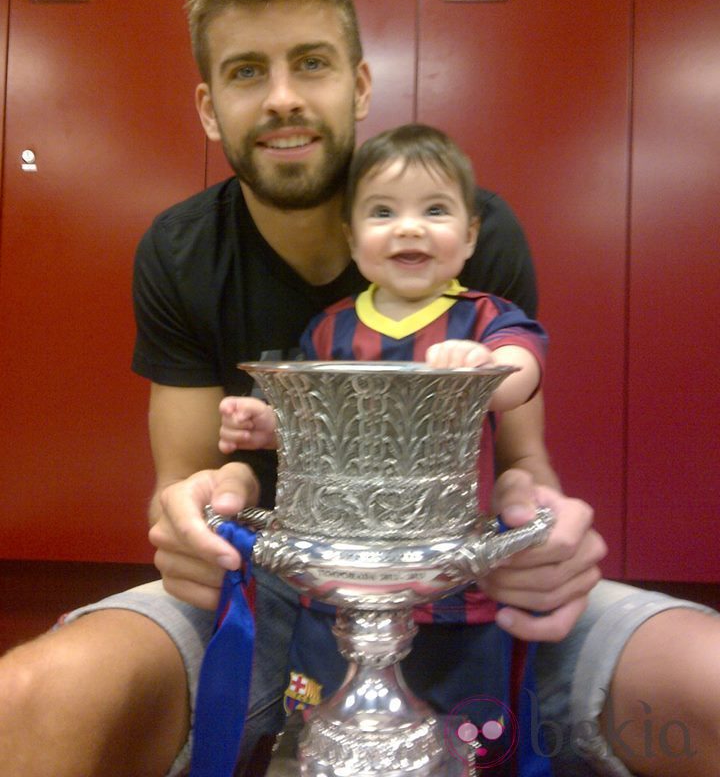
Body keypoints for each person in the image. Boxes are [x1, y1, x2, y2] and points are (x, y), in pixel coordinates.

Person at [0, 0, 717, 777]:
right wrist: (191, 513)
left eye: (311, 63)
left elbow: (525, 463)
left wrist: (542, 530)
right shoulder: (180, 251)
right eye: (245, 72)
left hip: (463, 589)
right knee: (27, 700)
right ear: (207, 107)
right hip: (263, 591)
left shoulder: (473, 233)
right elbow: (191, 479)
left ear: (360, 85)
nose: (281, 99)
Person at [216, 122, 553, 774]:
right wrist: (267, 426)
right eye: (382, 212)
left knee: (470, 748)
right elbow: (317, 436)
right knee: (327, 742)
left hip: (456, 592)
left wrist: (488, 363)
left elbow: (526, 368)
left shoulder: (485, 318)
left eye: (434, 210)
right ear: (351, 238)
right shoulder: (329, 329)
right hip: (337, 592)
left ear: (472, 236)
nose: (408, 229)